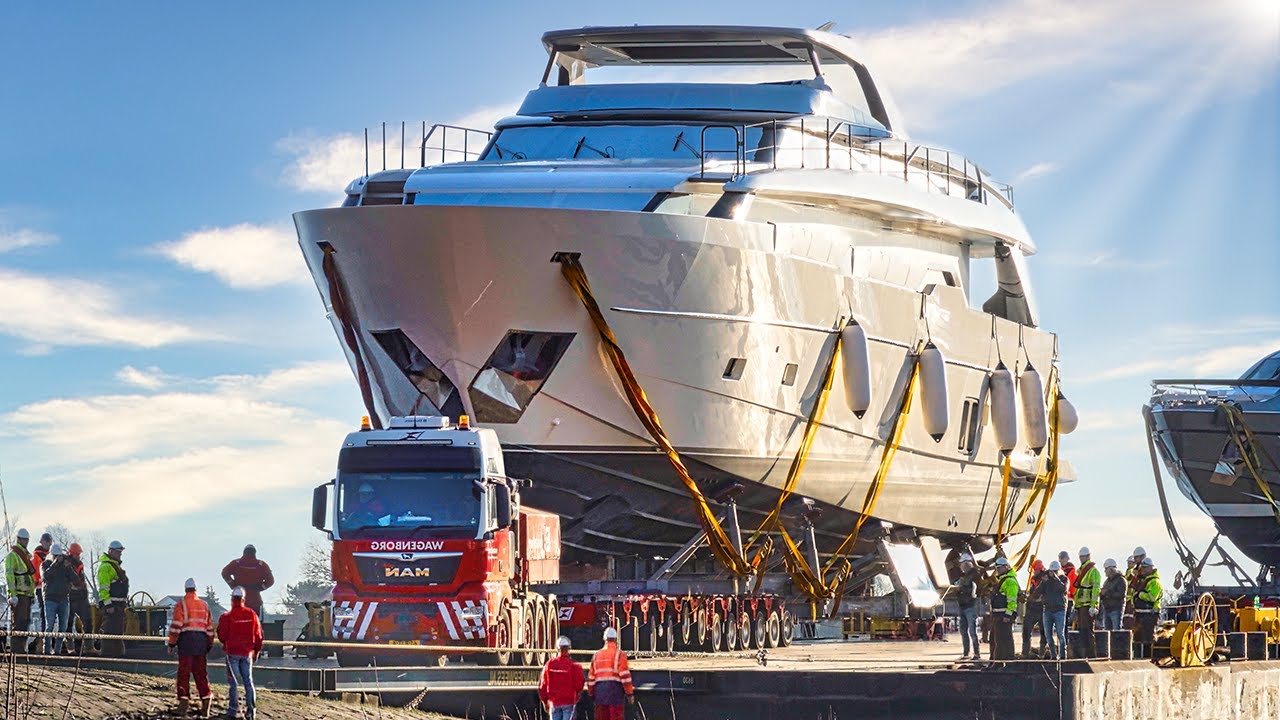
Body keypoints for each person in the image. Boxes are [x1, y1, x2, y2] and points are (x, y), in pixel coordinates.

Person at [168, 578, 214, 718]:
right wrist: (209, 644)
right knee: (201, 674)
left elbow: (176, 626)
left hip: (186, 641)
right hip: (201, 641)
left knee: (184, 673)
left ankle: (183, 705)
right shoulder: (204, 605)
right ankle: (206, 702)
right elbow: (210, 628)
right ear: (195, 589)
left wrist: (171, 644)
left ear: (185, 589)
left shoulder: (181, 605)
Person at [218, 586, 263, 720]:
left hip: (232, 653)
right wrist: (256, 650)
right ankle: (251, 711)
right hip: (247, 653)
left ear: (232, 599)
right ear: (243, 599)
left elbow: (222, 635)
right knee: (248, 681)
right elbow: (258, 635)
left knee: (233, 683)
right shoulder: (252, 615)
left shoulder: (227, 617)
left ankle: (233, 710)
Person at [588, 626, 634, 720]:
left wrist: (591, 693)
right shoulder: (620, 655)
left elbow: (591, 678)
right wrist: (629, 693)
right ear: (616, 639)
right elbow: (625, 677)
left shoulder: (597, 655)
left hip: (600, 692)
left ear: (604, 639)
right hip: (615, 692)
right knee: (616, 717)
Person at [221, 545, 274, 621]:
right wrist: (260, 587)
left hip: (239, 599)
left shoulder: (236, 563)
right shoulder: (261, 565)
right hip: (255, 600)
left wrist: (233, 585)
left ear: (244, 552)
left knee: (238, 623)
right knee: (253, 623)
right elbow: (270, 581)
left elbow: (224, 573)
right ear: (255, 553)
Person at [41, 544, 77, 655]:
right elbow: (45, 576)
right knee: (49, 625)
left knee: (63, 627)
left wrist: (68, 567)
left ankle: (57, 650)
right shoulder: (45, 564)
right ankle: (47, 649)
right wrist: (55, 564)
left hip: (64, 599)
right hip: (50, 599)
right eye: (55, 555)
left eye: (59, 555)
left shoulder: (65, 566)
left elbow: (75, 579)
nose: (58, 558)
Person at [4, 528, 36, 653]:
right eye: (24, 539)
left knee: (25, 623)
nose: (26, 542)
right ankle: (16, 651)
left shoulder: (26, 556)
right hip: (19, 595)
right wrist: (13, 594)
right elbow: (10, 576)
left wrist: (31, 595)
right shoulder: (13, 555)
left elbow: (29, 577)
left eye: (27, 539)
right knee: (18, 623)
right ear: (19, 539)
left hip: (27, 595)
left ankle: (22, 649)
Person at [540, 635, 586, 720]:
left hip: (554, 702)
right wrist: (576, 695)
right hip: (569, 702)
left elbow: (543, 685)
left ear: (557, 649)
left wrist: (545, 701)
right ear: (568, 649)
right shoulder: (574, 666)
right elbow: (579, 685)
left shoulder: (549, 665)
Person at [96, 540, 129, 657]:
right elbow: (103, 588)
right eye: (118, 552)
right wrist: (108, 605)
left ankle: (117, 656)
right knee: (110, 632)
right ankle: (108, 657)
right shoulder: (106, 567)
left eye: (120, 552)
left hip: (118, 606)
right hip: (112, 606)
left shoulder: (115, 567)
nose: (120, 554)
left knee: (117, 633)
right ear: (111, 551)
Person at [1072, 547, 1101, 658]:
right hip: (1080, 606)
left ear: (1088, 556)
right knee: (1082, 632)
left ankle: (1091, 656)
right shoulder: (1082, 571)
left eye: (1083, 556)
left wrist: (1093, 606)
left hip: (1087, 606)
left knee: (1088, 632)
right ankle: (1084, 656)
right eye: (1080, 557)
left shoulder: (1093, 571)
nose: (1081, 559)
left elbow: (1095, 589)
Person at [952, 553, 982, 660]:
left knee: (972, 631)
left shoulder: (974, 575)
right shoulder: (965, 576)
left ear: (966, 564)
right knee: (964, 631)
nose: (960, 566)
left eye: (961, 564)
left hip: (970, 606)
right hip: (963, 606)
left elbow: (972, 590)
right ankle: (966, 653)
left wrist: (960, 588)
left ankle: (976, 653)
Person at [989, 556, 1019, 661]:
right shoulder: (1002, 580)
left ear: (1006, 567)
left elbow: (1012, 600)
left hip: (1004, 615)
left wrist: (1008, 615)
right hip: (998, 615)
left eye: (999, 568)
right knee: (998, 640)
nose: (997, 570)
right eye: (997, 568)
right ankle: (998, 662)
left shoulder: (1010, 581)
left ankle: (1009, 662)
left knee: (1006, 640)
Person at [1132, 557, 1162, 659]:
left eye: (1145, 568)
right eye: (1142, 568)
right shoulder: (1145, 580)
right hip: (1141, 614)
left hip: (1150, 615)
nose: (1143, 570)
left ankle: (1148, 659)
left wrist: (1140, 595)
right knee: (1138, 639)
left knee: (1148, 640)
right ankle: (1138, 659)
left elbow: (1152, 597)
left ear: (1150, 568)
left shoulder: (1155, 582)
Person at [66, 543, 92, 654]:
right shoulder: (66, 564)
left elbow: (81, 580)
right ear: (71, 554)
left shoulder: (80, 565)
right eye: (77, 554)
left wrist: (84, 591)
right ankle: (70, 647)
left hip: (81, 596)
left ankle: (89, 646)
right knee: (69, 623)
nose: (78, 556)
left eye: (79, 554)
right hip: (70, 596)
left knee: (88, 620)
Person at [1040, 561, 1069, 659]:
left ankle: (1063, 655)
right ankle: (1053, 655)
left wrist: (1056, 578)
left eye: (1054, 571)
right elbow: (1040, 590)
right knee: (1048, 634)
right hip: (1048, 610)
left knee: (1060, 634)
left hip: (1059, 610)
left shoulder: (1064, 579)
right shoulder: (1047, 581)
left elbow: (1063, 589)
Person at [1022, 559, 1047, 658]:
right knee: (1026, 630)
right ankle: (1025, 653)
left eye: (1035, 570)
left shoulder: (1045, 579)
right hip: (1032, 607)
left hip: (1042, 608)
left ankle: (1042, 653)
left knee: (1043, 631)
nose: (1034, 572)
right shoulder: (1033, 579)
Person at [32, 532, 52, 640]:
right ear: (43, 542)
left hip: (51, 587)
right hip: (41, 587)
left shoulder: (50, 554)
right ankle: (43, 637)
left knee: (50, 614)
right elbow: (35, 572)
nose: (49, 544)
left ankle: (48, 637)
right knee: (44, 612)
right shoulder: (37, 555)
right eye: (47, 542)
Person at [1100, 558, 1128, 632]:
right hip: (1107, 610)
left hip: (1116, 609)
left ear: (1111, 569)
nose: (1105, 571)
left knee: (1116, 633)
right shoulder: (1107, 581)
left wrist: (1106, 593)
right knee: (1107, 633)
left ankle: (1117, 644)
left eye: (1106, 569)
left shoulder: (1121, 580)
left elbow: (1121, 594)